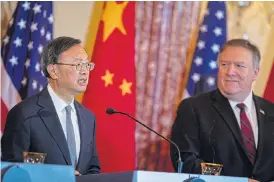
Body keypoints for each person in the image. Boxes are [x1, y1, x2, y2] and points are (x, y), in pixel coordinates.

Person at [170, 39, 274, 182]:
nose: (230, 72)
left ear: (255, 73)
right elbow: (185, 161)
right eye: (224, 64)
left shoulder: (271, 111)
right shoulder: (193, 108)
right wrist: (234, 180)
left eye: (239, 66)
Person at [1, 36, 100, 175]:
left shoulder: (88, 117)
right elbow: (12, 171)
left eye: (87, 65)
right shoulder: (25, 113)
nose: (85, 71)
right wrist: (57, 175)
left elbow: (92, 168)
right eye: (78, 65)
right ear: (54, 71)